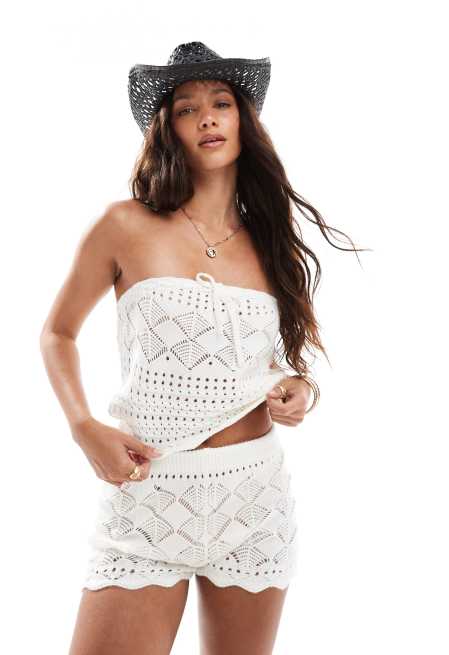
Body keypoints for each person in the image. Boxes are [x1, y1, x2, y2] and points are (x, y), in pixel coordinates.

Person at [40, 41, 363, 655]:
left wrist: (297, 386)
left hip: (254, 497)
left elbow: (254, 358)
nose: (207, 118)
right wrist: (83, 425)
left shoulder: (269, 239)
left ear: (244, 120)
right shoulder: (124, 225)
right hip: (150, 491)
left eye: (221, 103)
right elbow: (57, 332)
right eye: (187, 109)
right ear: (169, 130)